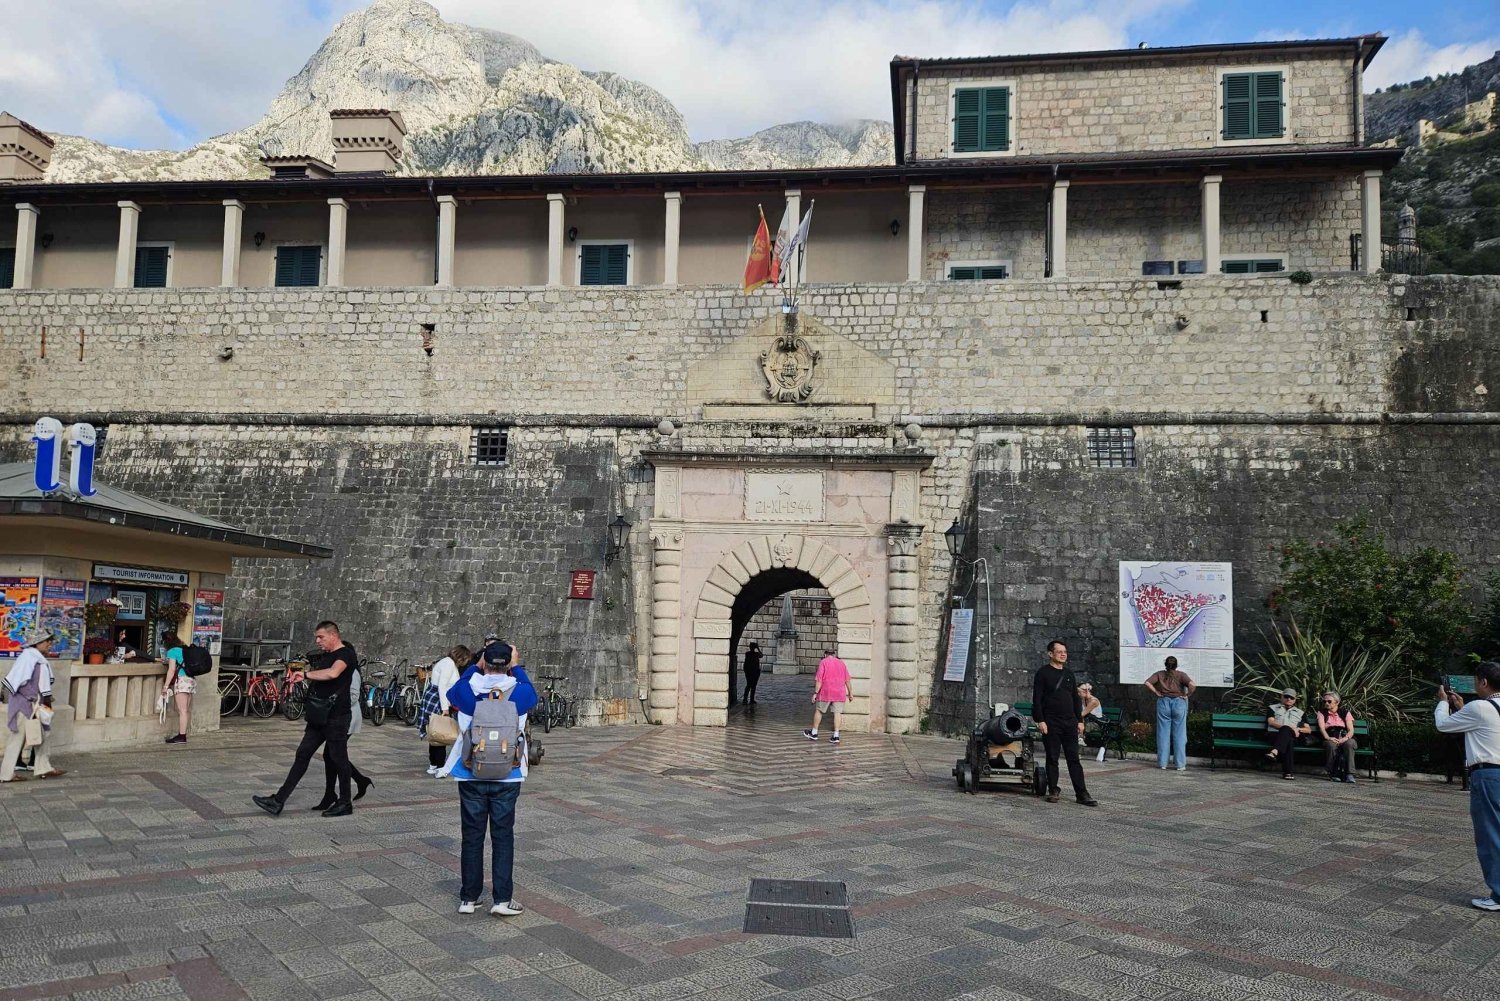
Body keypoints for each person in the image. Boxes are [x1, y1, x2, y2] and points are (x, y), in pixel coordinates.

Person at [438, 640, 537, 916]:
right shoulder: (521, 693)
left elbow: (453, 692)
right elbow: (532, 693)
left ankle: (469, 898)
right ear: (508, 664)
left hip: (471, 773)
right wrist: (516, 666)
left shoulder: (467, 690)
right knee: (503, 837)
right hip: (508, 773)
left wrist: (475, 666)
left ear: (484, 662)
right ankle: (502, 900)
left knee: (472, 836)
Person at [253, 620, 358, 818]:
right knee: (302, 754)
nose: (318, 641)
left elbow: (333, 673)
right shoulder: (327, 655)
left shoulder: (345, 654)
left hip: (337, 717)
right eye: (317, 637)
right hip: (319, 716)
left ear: (333, 635)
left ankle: (345, 802)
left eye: (321, 637)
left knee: (339, 759)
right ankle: (278, 801)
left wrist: (306, 674)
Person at [1436, 663, 1500, 911]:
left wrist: (1443, 702)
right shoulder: (1481, 709)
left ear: (1483, 682)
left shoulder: (1480, 707)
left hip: (1489, 775)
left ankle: (1497, 894)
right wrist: (1463, 709)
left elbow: (1443, 724)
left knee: (1491, 834)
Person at [1031, 640, 1098, 806]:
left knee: (1073, 758)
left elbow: (1075, 699)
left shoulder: (1069, 674)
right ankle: (1053, 789)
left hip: (1069, 722)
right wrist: (1041, 720)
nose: (1063, 654)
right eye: (1059, 651)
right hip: (1051, 722)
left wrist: (1080, 720)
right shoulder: (1043, 673)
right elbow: (1037, 699)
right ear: (1050, 654)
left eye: (1065, 652)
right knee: (1052, 757)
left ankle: (1081, 793)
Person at [1, 631, 65, 782]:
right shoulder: (33, 659)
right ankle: (6, 774)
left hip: (27, 703)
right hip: (27, 705)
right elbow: (33, 685)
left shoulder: (30, 657)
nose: (50, 644)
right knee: (21, 738)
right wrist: (43, 704)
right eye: (47, 641)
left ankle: (43, 768)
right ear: (37, 643)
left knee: (40, 735)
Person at [313, 656, 373, 809]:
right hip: (336, 719)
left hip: (347, 719)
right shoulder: (339, 669)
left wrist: (331, 701)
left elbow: (353, 696)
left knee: (334, 755)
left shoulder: (352, 672)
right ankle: (356, 782)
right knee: (331, 755)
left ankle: (336, 794)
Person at [418, 645, 468, 775]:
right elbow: (442, 686)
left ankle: (434, 764)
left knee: (435, 732)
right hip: (438, 700)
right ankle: (439, 764)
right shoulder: (449, 665)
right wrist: (445, 708)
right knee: (440, 734)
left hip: (434, 698)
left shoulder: (446, 662)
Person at [1144, 655, 1195, 771]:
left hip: (1163, 703)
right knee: (1180, 735)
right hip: (1179, 703)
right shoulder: (1181, 675)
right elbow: (1192, 685)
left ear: (1165, 665)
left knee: (1163, 733)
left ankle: (1162, 763)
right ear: (1176, 665)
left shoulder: (1159, 674)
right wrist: (1187, 695)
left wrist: (1156, 692)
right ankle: (1180, 765)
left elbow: (1147, 682)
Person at [803, 649, 849, 745]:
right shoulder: (841, 663)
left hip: (826, 691)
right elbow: (847, 680)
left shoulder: (823, 662)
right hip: (839, 692)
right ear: (834, 654)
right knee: (837, 713)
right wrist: (851, 693)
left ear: (825, 655)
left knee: (819, 710)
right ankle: (836, 735)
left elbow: (819, 680)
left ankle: (814, 733)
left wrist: (815, 693)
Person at [1264, 688, 1311, 780]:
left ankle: (1275, 752)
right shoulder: (1272, 708)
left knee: (1289, 736)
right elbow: (1271, 723)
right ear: (1282, 697)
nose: (1289, 699)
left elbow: (1308, 729)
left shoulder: (1300, 713)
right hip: (1274, 735)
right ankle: (1288, 772)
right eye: (1286, 696)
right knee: (1288, 737)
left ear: (1295, 700)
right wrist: (1288, 727)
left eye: (1291, 698)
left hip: (1293, 736)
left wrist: (1297, 729)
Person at [1316, 690, 1358, 783]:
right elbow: (1322, 728)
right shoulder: (1321, 713)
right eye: (1324, 701)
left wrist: (1345, 738)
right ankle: (1333, 772)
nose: (1326, 703)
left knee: (1350, 744)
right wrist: (1328, 738)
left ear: (1337, 702)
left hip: (1344, 736)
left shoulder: (1345, 713)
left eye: (1329, 701)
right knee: (1331, 745)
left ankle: (1350, 774)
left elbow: (1351, 730)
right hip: (1330, 737)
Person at [158, 630, 192, 744]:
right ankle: (182, 734)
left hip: (182, 681)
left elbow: (171, 670)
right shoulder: (184, 648)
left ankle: (182, 736)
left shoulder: (172, 651)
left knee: (182, 710)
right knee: (186, 710)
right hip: (191, 680)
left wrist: (165, 686)